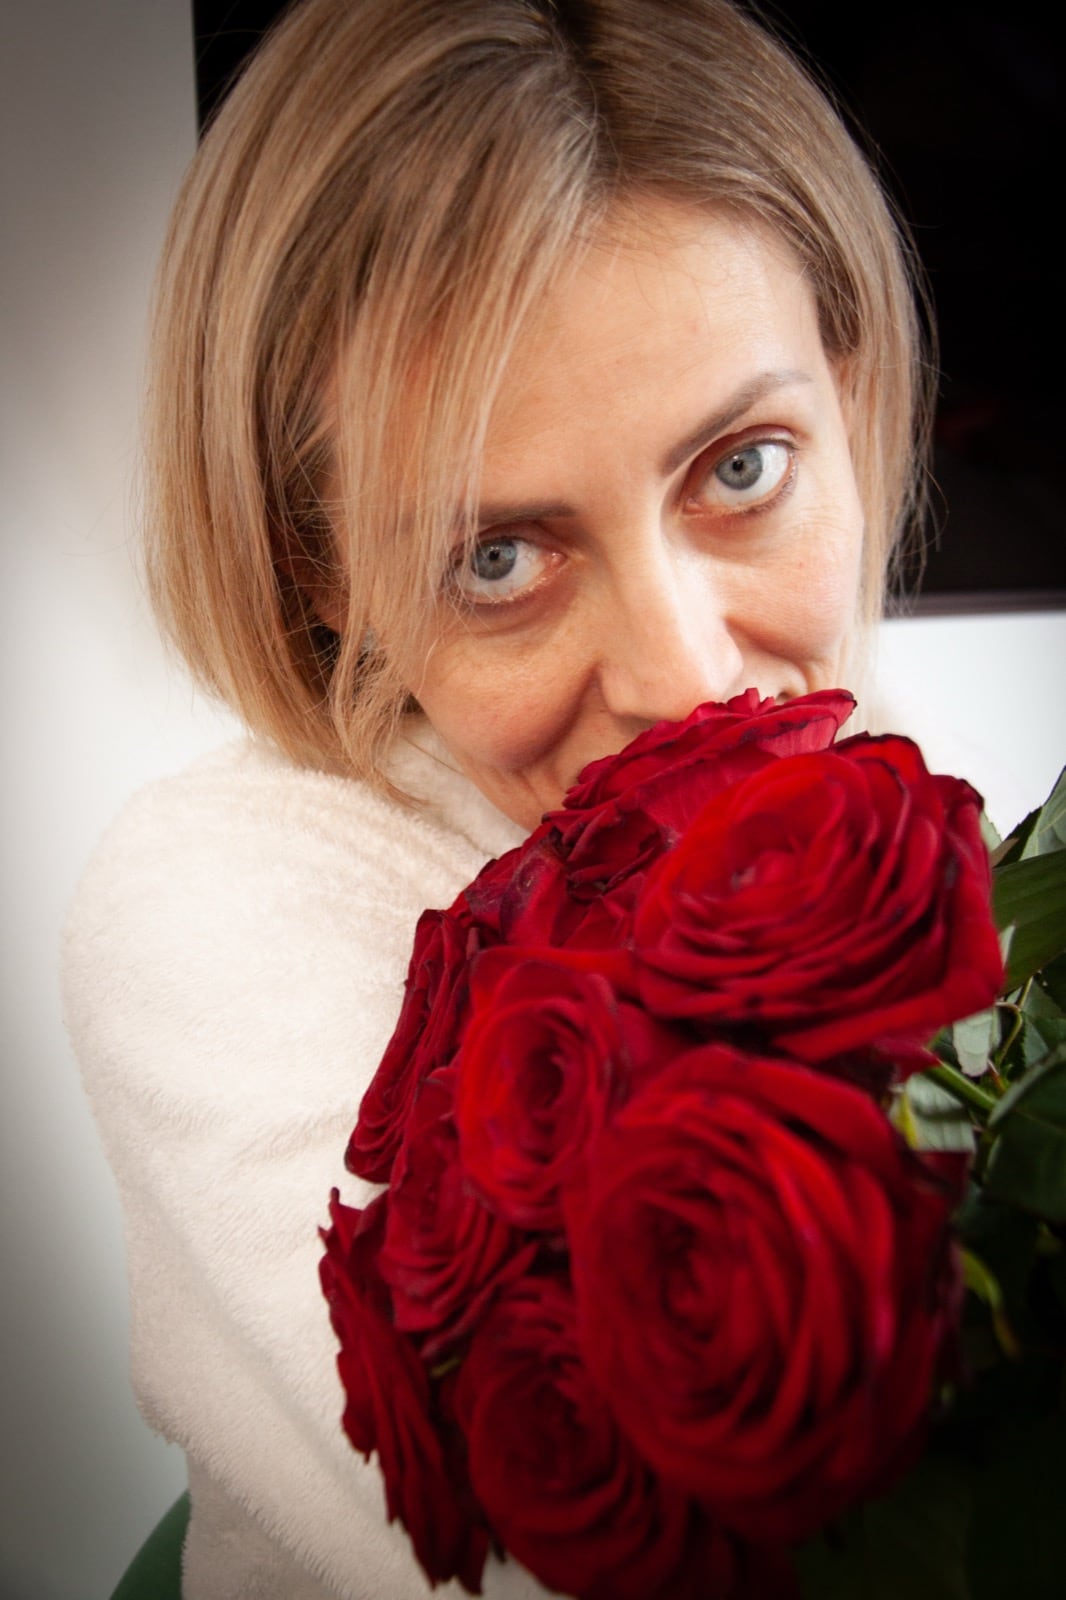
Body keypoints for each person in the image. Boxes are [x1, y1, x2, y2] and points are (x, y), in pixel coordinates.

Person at [61, 1, 931, 1595]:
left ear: (850, 400)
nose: (688, 680)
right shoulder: (215, 903)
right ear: (325, 573)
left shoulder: (865, 775)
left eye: (740, 468)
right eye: (499, 557)